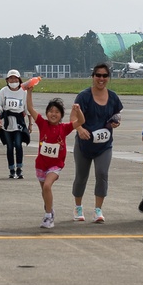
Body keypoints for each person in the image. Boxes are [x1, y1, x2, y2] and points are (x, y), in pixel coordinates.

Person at [72, 62, 124, 223]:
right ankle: (78, 207)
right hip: (84, 144)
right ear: (93, 77)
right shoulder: (83, 96)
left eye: (105, 76)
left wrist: (116, 122)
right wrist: (80, 129)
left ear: (108, 78)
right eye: (98, 75)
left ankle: (98, 210)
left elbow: (117, 114)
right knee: (81, 176)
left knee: (102, 174)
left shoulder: (113, 97)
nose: (101, 79)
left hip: (104, 145)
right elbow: (73, 118)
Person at [26, 86, 83, 229]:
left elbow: (81, 122)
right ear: (46, 113)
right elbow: (30, 108)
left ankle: (48, 216)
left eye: (57, 112)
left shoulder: (64, 128)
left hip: (55, 165)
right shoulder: (42, 123)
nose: (53, 114)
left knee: (47, 185)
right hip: (41, 164)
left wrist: (78, 111)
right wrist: (29, 92)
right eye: (51, 111)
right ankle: (49, 209)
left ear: (61, 115)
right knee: (44, 191)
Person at [0, 69, 33, 179]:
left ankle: (19, 168)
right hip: (7, 123)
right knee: (9, 147)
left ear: (19, 79)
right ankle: (11, 169)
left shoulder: (23, 91)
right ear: (7, 80)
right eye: (11, 78)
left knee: (18, 144)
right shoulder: (3, 91)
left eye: (15, 78)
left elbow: (28, 108)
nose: (13, 80)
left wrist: (30, 124)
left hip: (19, 123)